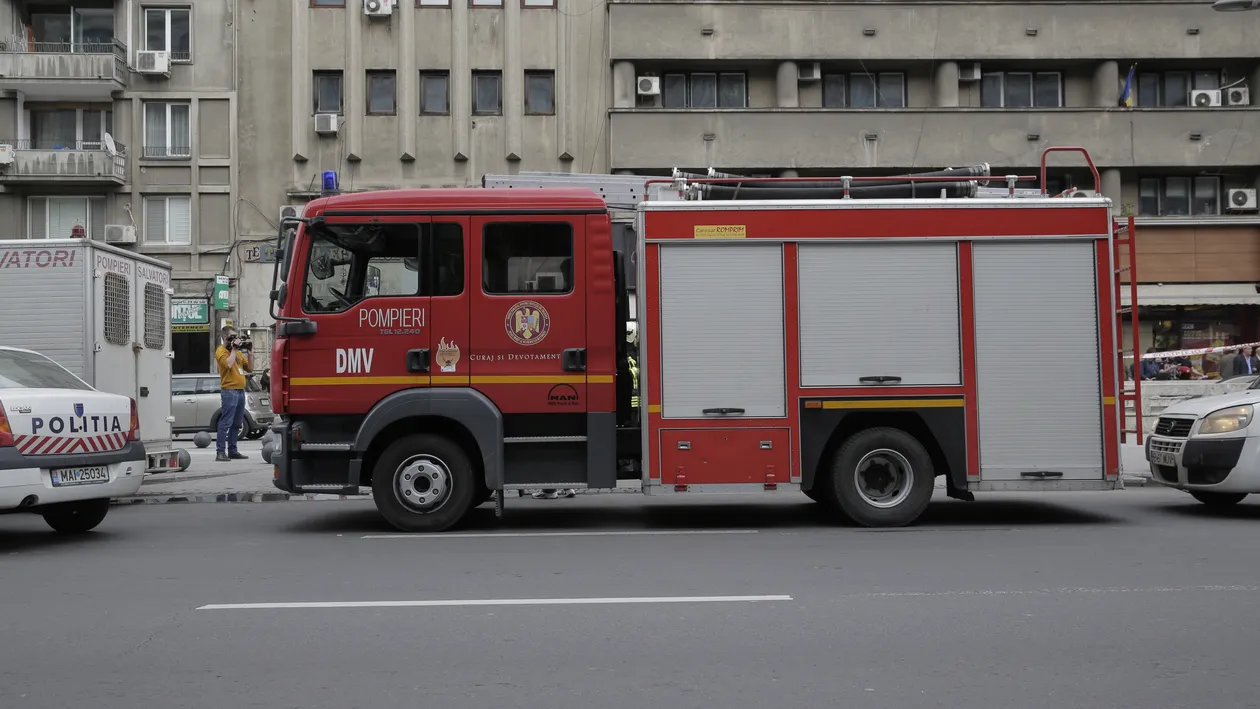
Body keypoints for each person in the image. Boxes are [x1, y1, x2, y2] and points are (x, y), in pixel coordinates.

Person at [214, 325, 252, 462]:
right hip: (229, 391)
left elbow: (250, 368)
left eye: (236, 337)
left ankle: (233, 450)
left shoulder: (238, 353)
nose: (235, 339)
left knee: (237, 423)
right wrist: (234, 350)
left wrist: (250, 352)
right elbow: (228, 365)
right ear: (225, 337)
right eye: (232, 337)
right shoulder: (221, 351)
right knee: (226, 422)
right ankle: (220, 452)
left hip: (240, 391)